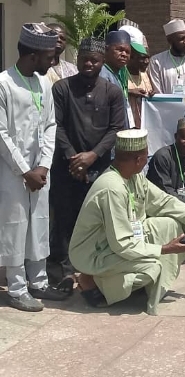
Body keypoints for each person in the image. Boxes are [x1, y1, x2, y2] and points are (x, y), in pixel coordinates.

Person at [69, 129, 185, 315]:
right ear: (138, 160)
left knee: (172, 224)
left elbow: (163, 201)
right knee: (152, 267)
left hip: (117, 241)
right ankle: (92, 282)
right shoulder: (112, 188)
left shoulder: (134, 176)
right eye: (146, 156)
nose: (147, 160)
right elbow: (122, 244)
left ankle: (126, 285)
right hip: (94, 252)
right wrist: (165, 249)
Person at [0, 23, 68, 311]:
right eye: (49, 57)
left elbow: (51, 125)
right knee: (15, 227)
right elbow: (1, 134)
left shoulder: (44, 84)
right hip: (12, 173)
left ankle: (38, 282)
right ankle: (16, 288)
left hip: (40, 173)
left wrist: (43, 165)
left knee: (39, 224)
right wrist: (24, 170)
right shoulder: (4, 84)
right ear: (32, 55)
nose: (53, 62)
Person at [50, 37, 126, 280]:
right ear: (77, 60)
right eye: (84, 59)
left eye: (94, 60)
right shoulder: (62, 88)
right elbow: (56, 126)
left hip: (99, 168)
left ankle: (93, 268)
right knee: (64, 219)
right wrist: (74, 158)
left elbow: (116, 129)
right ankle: (64, 270)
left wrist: (92, 156)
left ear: (102, 61)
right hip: (66, 167)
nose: (89, 64)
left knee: (97, 220)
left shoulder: (112, 92)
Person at [99, 30, 133, 128]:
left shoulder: (119, 73)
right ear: (106, 50)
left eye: (127, 52)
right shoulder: (102, 74)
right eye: (119, 49)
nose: (124, 54)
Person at [126, 37, 154, 129]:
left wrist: (152, 94)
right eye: (142, 58)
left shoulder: (145, 74)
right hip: (127, 124)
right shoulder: (121, 73)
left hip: (145, 124)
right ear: (131, 57)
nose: (147, 62)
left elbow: (149, 92)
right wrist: (130, 92)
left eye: (148, 57)